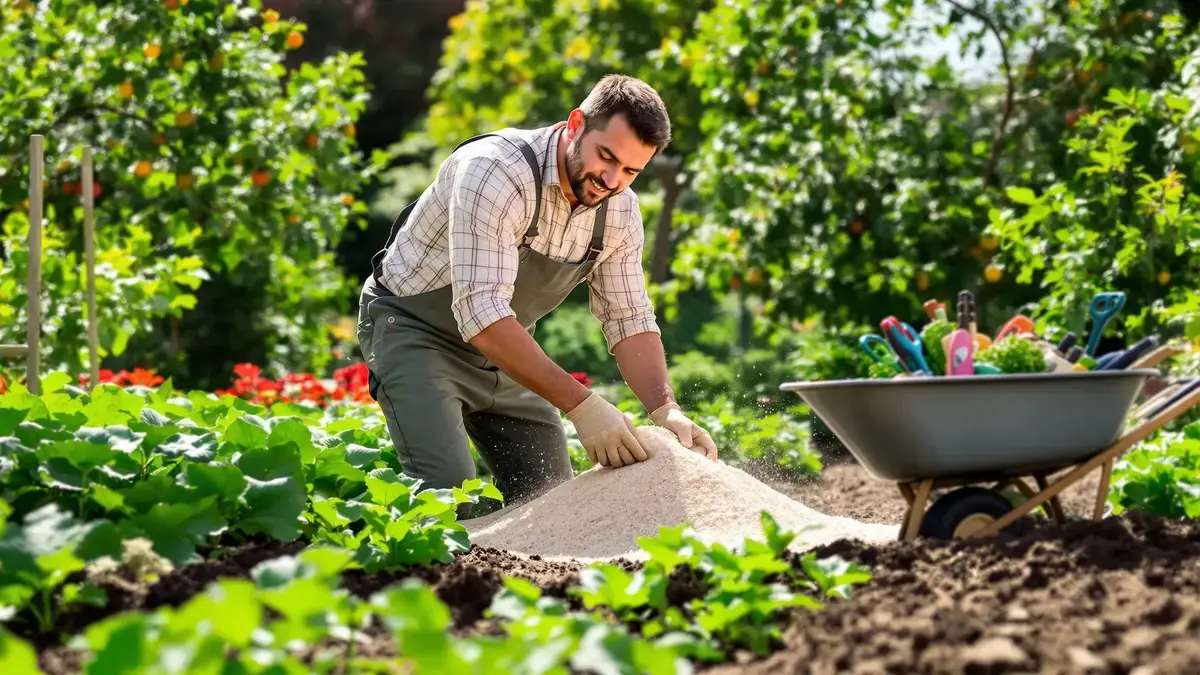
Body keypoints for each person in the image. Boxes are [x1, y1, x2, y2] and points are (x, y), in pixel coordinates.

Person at [356, 74, 719, 514]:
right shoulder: (494, 170)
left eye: (629, 171)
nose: (610, 180)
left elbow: (629, 317)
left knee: (553, 506)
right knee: (448, 506)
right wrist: (583, 407)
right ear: (575, 124)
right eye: (606, 157)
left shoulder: (620, 212)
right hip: (414, 332)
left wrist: (666, 410)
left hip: (505, 349)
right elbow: (480, 310)